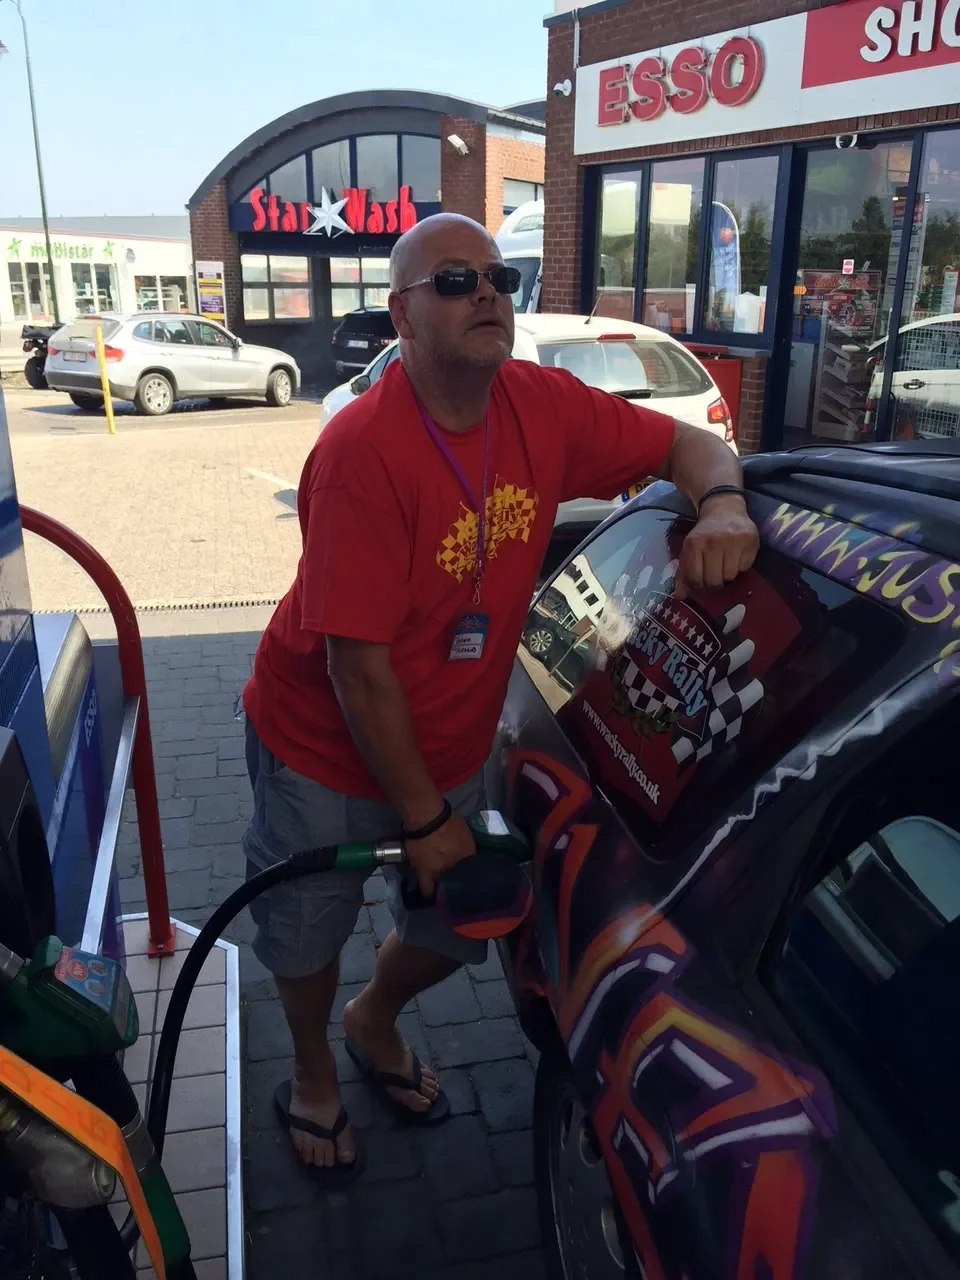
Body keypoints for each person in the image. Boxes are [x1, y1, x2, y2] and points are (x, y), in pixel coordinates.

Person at [240, 213, 759, 1181]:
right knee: (306, 927)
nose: (485, 292)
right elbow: (358, 669)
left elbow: (692, 448)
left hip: (448, 734)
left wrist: (723, 504)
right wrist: (425, 816)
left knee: (458, 928)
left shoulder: (542, 404)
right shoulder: (362, 450)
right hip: (321, 741)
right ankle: (314, 1070)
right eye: (452, 280)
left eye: (497, 276)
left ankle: (373, 1018)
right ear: (400, 315)